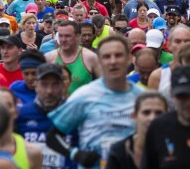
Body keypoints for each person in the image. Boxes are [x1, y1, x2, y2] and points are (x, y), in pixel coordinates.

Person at [47, 35, 145, 167]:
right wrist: (76, 154)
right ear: (99, 61)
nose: (113, 61)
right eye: (106, 56)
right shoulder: (84, 95)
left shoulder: (143, 97)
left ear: (129, 59)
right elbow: (52, 136)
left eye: (118, 55)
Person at [105, 92, 168, 169]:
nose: (152, 118)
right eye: (146, 112)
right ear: (134, 116)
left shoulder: (176, 148)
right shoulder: (119, 151)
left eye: (159, 113)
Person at [45, 21, 101, 95]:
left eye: (67, 36)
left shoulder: (91, 58)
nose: (63, 40)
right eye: (61, 36)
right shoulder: (49, 58)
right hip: (59, 105)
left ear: (77, 37)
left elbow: (104, 87)